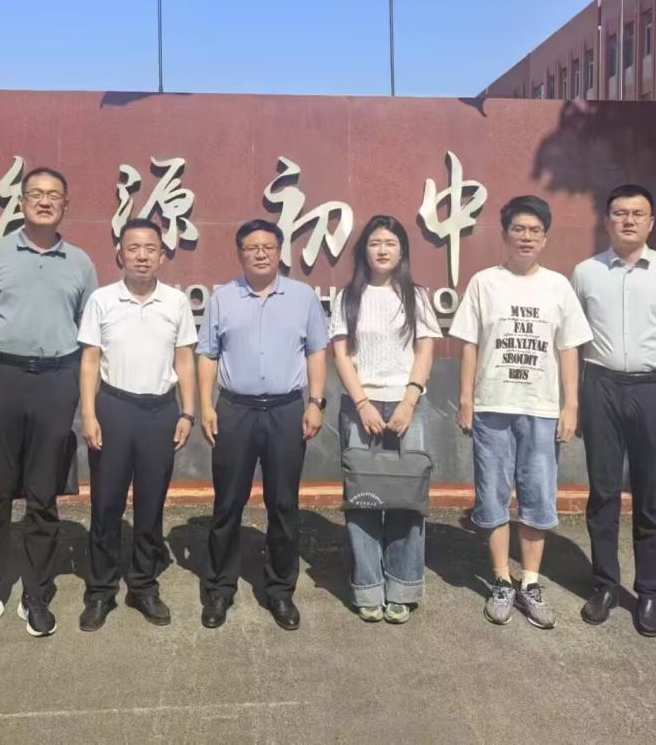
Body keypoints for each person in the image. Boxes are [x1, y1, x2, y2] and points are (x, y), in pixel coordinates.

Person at [0, 167, 98, 640]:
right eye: (36, 193)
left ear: (66, 205)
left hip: (55, 381)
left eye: (54, 195)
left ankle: (36, 593)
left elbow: (88, 332)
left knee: (43, 494)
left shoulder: (80, 263)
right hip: (1, 379)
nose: (45, 201)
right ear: (22, 201)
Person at [571, 184, 656, 638]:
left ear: (651, 222)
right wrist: (571, 401)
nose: (628, 220)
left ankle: (648, 592)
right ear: (607, 220)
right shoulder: (585, 273)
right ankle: (605, 585)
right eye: (619, 213)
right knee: (603, 492)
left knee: (650, 493)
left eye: (637, 213)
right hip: (601, 385)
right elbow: (570, 342)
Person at [452, 195, 591, 630]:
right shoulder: (484, 283)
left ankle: (530, 582)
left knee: (538, 497)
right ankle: (500, 580)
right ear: (505, 234)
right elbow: (469, 344)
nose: (526, 237)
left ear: (545, 238)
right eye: (519, 229)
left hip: (540, 409)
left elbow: (568, 349)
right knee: (492, 496)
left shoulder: (558, 287)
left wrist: (571, 404)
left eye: (535, 231)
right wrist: (467, 399)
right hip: (493, 406)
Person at [197, 219, 329, 631]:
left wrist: (316, 402)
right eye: (251, 247)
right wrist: (205, 406)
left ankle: (280, 591)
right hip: (234, 410)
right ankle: (220, 589)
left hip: (286, 410)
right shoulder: (222, 298)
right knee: (228, 503)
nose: (260, 253)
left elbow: (316, 351)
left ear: (279, 252)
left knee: (284, 504)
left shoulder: (303, 297)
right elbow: (207, 354)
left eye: (268, 247)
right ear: (240, 254)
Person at [76, 218, 198, 631]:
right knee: (106, 504)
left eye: (150, 249)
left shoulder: (176, 302)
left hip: (160, 413)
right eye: (133, 248)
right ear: (120, 255)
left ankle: (143, 585)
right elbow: (90, 360)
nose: (142, 256)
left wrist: (188, 412)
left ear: (162, 255)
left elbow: (185, 359)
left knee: (151, 504)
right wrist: (89, 414)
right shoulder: (102, 300)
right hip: (113, 408)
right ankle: (100, 590)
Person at [330, 215, 441, 624]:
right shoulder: (348, 297)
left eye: (390, 243)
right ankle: (368, 587)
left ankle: (404, 586)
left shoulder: (416, 296)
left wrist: (410, 400)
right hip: (361, 408)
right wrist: (362, 403)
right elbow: (341, 354)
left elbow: (425, 350)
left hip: (407, 406)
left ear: (402, 251)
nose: (382, 250)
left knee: (407, 499)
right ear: (364, 250)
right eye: (375, 242)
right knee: (363, 499)